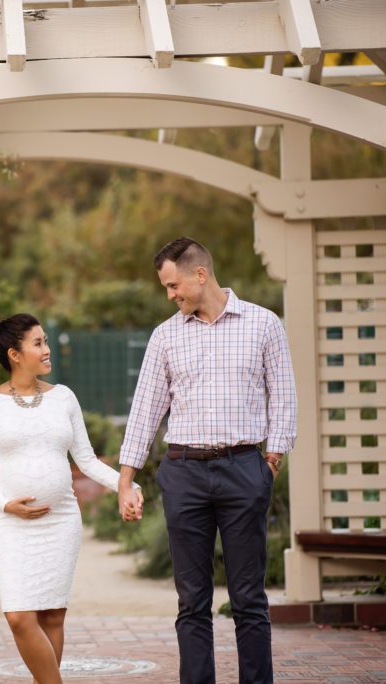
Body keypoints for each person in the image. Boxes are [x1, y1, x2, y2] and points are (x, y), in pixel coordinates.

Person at [117, 237, 297, 684]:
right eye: (166, 288)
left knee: (249, 599)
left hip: (244, 470)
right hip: (184, 473)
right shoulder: (165, 336)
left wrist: (269, 463)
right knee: (191, 601)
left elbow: (285, 397)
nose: (170, 295)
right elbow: (145, 410)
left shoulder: (263, 324)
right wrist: (126, 479)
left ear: (200, 274)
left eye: (173, 284)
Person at [0, 313, 143, 684]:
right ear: (15, 354)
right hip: (10, 523)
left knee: (52, 616)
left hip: (60, 520)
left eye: (45, 341)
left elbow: (88, 460)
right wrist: (4, 504)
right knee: (18, 616)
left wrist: (126, 486)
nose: (47, 350)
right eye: (38, 343)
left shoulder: (64, 397)